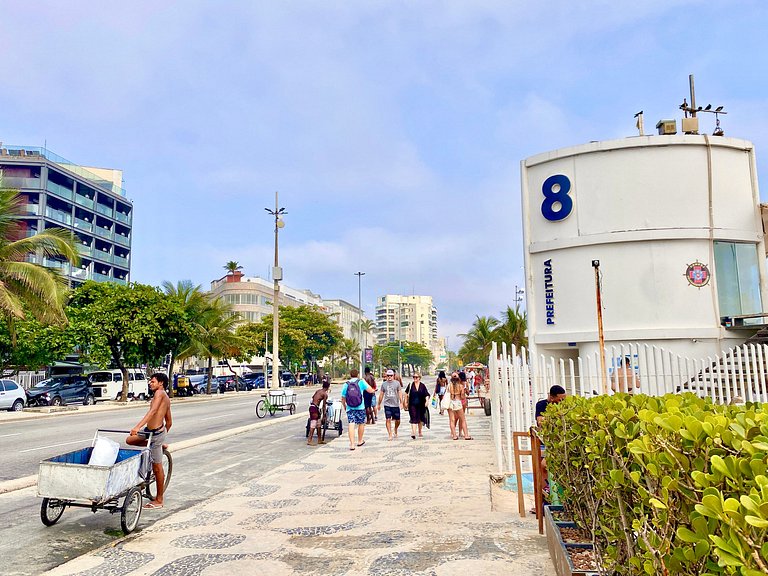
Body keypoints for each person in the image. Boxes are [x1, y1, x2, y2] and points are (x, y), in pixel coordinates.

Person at [126, 373, 173, 509]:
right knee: (130, 440)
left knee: (157, 468)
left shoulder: (160, 394)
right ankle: (156, 446)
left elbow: (153, 412)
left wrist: (137, 427)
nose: (150, 383)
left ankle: (159, 500)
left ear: (161, 383)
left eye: (153, 382)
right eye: (150, 382)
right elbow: (169, 422)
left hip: (156, 434)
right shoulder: (162, 396)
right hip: (149, 432)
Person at [341, 368, 375, 450]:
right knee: (361, 423)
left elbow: (343, 398)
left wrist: (345, 406)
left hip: (350, 407)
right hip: (360, 407)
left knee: (351, 424)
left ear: (350, 375)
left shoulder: (346, 384)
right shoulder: (361, 382)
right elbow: (371, 390)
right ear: (358, 374)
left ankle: (352, 444)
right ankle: (360, 441)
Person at [377, 369, 403, 440]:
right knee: (388, 419)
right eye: (388, 376)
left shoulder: (397, 383)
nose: (389, 377)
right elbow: (381, 394)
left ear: (393, 376)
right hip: (387, 404)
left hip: (395, 404)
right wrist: (378, 404)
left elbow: (400, 392)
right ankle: (390, 434)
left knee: (398, 420)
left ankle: (395, 429)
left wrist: (401, 402)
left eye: (391, 376)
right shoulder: (384, 384)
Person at [404, 373, 430, 439]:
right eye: (414, 377)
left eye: (416, 377)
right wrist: (405, 402)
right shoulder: (410, 385)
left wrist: (427, 401)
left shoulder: (422, 385)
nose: (415, 378)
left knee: (420, 419)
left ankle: (420, 431)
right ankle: (413, 432)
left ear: (419, 378)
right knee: (413, 418)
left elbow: (426, 394)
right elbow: (406, 393)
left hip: (421, 405)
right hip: (412, 404)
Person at [447, 372, 471, 440]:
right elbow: (462, 397)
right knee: (462, 419)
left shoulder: (449, 386)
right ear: (458, 379)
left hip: (451, 403)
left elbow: (447, 394)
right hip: (458, 402)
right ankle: (466, 435)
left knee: (452, 420)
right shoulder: (460, 386)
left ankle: (454, 436)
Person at [307, 379, 331, 446]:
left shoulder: (318, 391)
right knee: (313, 424)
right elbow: (324, 406)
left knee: (318, 424)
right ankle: (309, 440)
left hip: (313, 407)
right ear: (328, 387)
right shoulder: (325, 394)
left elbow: (313, 398)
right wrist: (324, 415)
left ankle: (319, 440)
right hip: (314, 408)